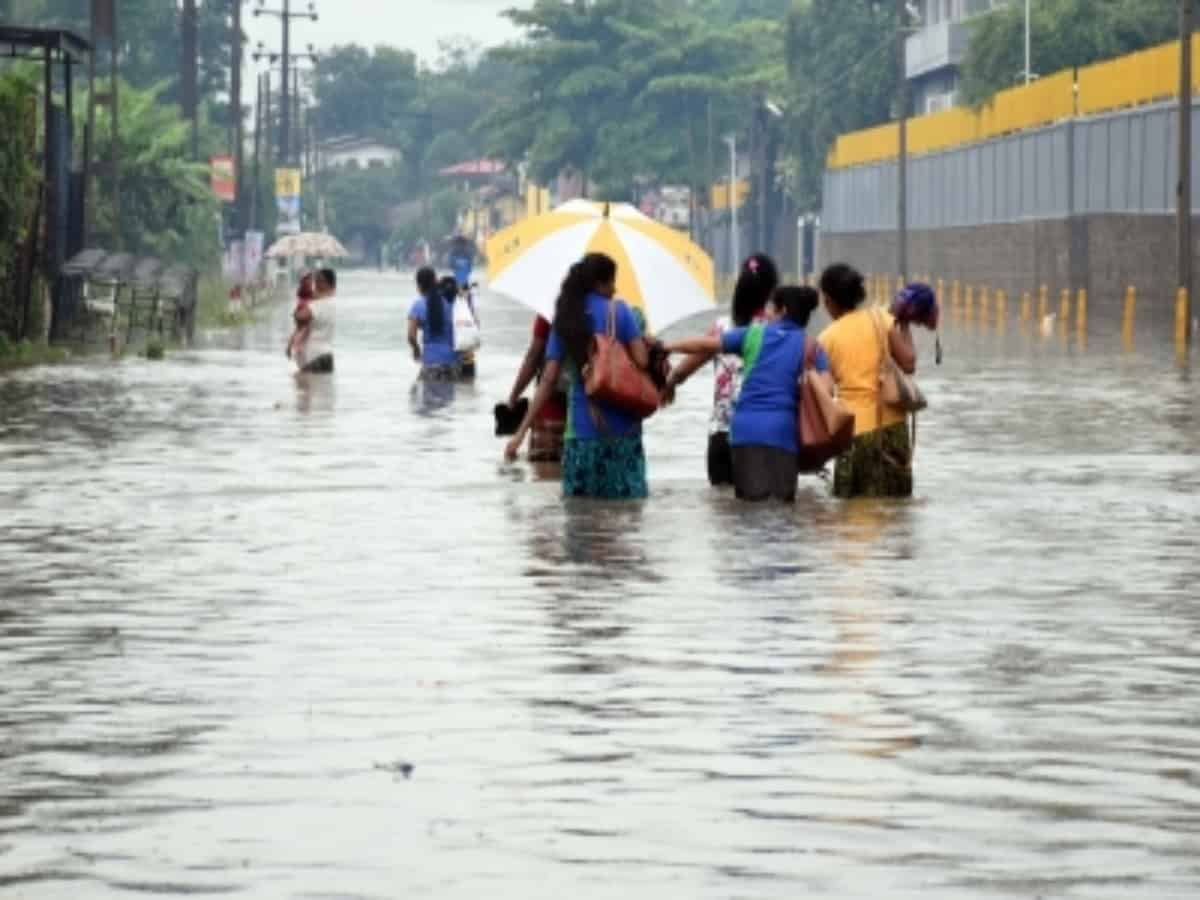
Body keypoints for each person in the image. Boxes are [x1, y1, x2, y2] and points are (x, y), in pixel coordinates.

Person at [504, 253, 651, 499]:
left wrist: (520, 434)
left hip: (581, 435)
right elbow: (643, 361)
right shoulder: (623, 312)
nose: (614, 289)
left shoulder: (565, 319)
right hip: (624, 435)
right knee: (623, 528)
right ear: (599, 283)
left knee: (580, 527)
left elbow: (547, 381)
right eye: (611, 282)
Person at [666, 286, 829, 502]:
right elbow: (827, 391)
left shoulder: (753, 334)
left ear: (783, 310)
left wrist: (667, 346)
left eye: (771, 307)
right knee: (781, 510)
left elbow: (705, 345)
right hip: (782, 433)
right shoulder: (812, 347)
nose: (766, 313)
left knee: (748, 510)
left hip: (744, 432)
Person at [661, 254, 779, 486]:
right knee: (764, 513)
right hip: (760, 432)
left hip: (721, 435)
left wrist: (670, 382)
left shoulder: (721, 327)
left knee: (724, 514)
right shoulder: (775, 330)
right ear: (770, 291)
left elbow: (686, 368)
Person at [817, 263, 918, 499]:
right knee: (895, 511)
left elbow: (826, 391)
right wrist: (904, 323)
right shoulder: (881, 319)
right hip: (892, 428)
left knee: (853, 514)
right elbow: (909, 364)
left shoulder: (826, 338)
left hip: (853, 433)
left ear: (829, 300)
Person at [505, 314, 568, 462]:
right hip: (591, 412)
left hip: (551, 404)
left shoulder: (552, 312)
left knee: (546, 472)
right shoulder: (613, 313)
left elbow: (534, 358)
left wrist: (514, 397)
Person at [407, 266, 458, 380]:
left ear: (419, 286)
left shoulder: (418, 306)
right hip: (451, 361)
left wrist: (416, 350)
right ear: (435, 281)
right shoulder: (449, 303)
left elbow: (411, 336)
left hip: (430, 361)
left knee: (426, 395)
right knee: (448, 396)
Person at [293, 268, 336, 374]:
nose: (315, 283)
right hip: (327, 354)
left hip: (313, 356)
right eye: (315, 280)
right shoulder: (333, 302)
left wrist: (304, 304)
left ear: (328, 284)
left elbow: (299, 317)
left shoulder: (318, 304)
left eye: (319, 280)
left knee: (309, 389)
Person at [285, 271, 315, 361]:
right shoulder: (308, 289)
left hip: (299, 311)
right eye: (310, 279)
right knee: (305, 331)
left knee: (299, 331)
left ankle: (291, 348)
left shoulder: (301, 289)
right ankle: (300, 350)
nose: (311, 281)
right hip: (305, 310)